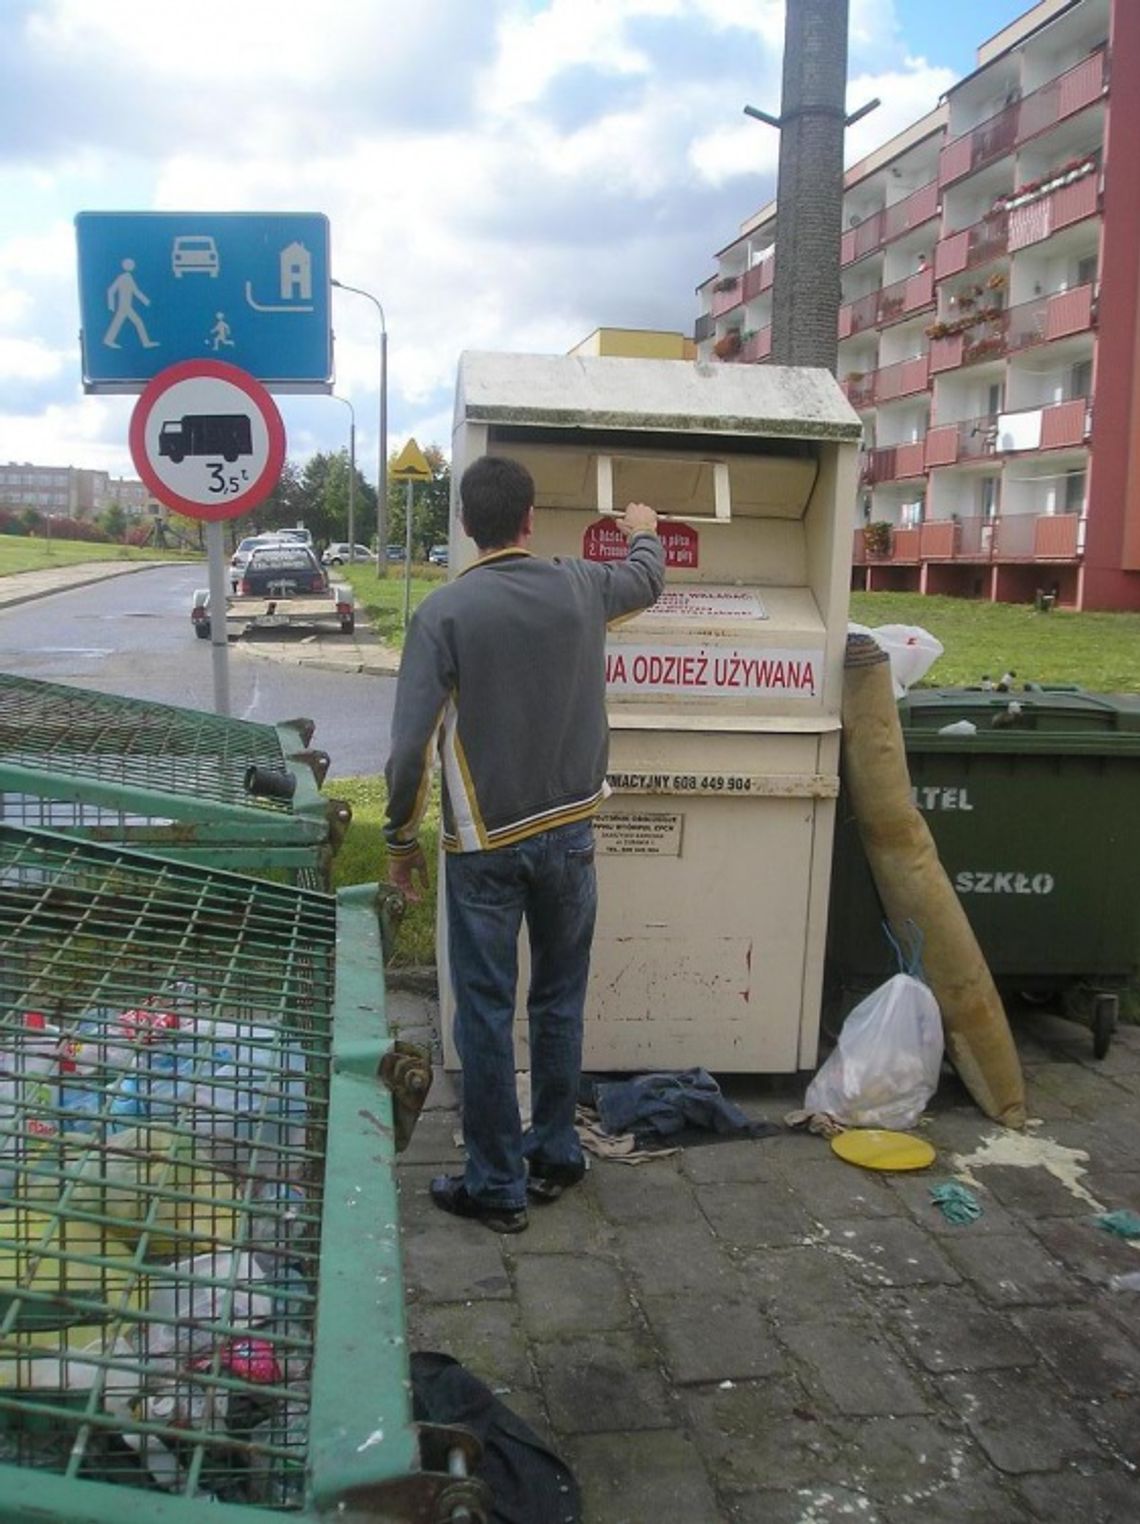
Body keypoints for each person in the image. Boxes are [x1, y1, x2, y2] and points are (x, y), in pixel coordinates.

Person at [384, 455, 664, 1233]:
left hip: (485, 849)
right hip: (571, 833)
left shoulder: (443, 615)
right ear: (531, 517)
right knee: (558, 999)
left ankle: (497, 1183)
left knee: (482, 1010)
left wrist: (399, 843)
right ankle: (556, 1152)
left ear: (468, 525)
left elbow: (408, 752)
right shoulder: (581, 586)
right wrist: (645, 530)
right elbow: (646, 579)